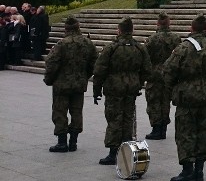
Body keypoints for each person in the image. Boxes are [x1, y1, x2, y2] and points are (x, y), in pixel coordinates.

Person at [162, 14, 206, 181]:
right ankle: (199, 171)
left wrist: (173, 90)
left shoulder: (184, 47)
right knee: (202, 134)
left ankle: (187, 171)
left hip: (187, 98)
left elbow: (168, 72)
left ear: (191, 29)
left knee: (185, 134)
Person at [92, 17, 153, 165]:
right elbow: (147, 70)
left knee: (114, 118)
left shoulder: (111, 48)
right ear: (132, 31)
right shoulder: (139, 48)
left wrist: (96, 90)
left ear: (119, 30)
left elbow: (100, 71)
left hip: (114, 88)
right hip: (131, 88)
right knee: (128, 118)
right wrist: (138, 83)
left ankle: (113, 152)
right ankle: (126, 148)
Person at [43, 16, 97, 153]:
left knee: (60, 112)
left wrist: (49, 79)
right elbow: (95, 63)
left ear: (66, 29)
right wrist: (85, 76)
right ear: (78, 27)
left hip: (62, 85)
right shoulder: (87, 43)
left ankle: (62, 143)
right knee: (77, 112)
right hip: (79, 84)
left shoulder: (62, 44)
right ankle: (73, 142)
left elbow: (51, 63)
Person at [144, 12, 181, 140]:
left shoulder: (152, 39)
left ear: (158, 23)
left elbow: (145, 58)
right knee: (165, 101)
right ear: (169, 23)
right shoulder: (176, 38)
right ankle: (163, 128)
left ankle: (156, 128)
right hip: (169, 74)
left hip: (155, 74)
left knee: (154, 101)